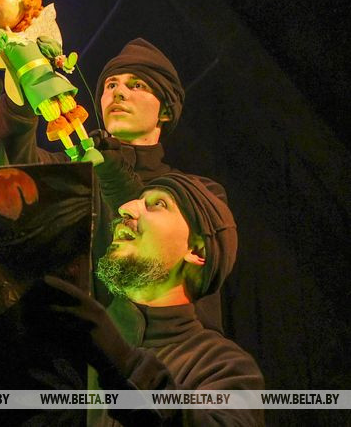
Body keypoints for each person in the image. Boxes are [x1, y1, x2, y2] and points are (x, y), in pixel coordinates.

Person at [0, 37, 228, 330]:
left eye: (137, 85)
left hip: (149, 353)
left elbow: (191, 298)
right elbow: (15, 163)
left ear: (166, 110)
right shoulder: (72, 170)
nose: (119, 92)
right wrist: (20, 89)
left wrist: (117, 180)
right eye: (111, 85)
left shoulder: (197, 194)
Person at [27, 172, 264, 426]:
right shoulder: (67, 334)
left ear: (196, 250)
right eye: (137, 200)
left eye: (158, 204)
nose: (125, 208)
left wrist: (124, 364)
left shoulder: (220, 365)